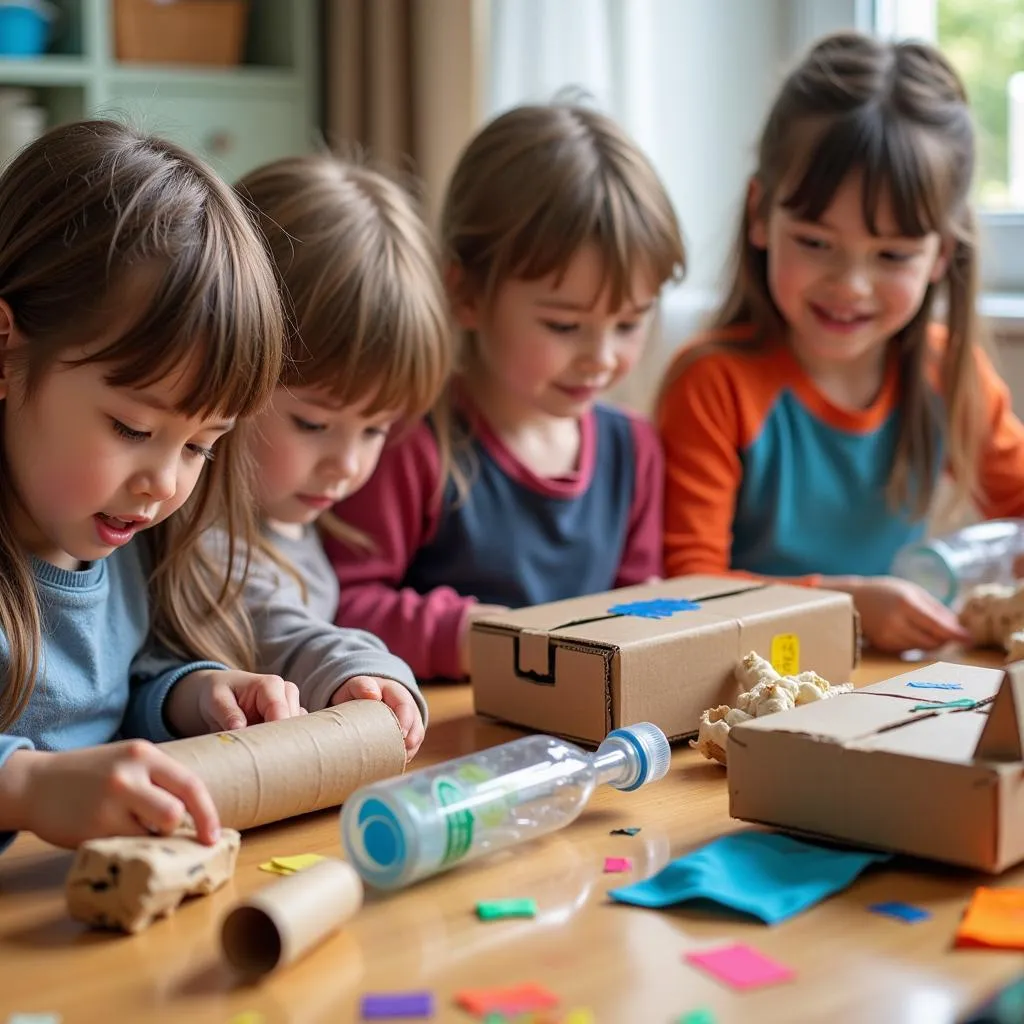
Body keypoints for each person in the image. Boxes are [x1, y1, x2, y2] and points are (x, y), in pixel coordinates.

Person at [657, 32, 1024, 654]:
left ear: (942, 254)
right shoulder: (713, 383)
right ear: (760, 216)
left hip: (886, 680)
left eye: (892, 255)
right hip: (741, 683)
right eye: (816, 243)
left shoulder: (947, 373)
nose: (850, 285)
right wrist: (846, 603)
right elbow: (686, 589)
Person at [0, 120, 292, 850]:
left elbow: (116, 699)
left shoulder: (118, 546)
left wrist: (193, 695)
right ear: (4, 349)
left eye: (200, 445)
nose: (164, 484)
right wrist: (28, 788)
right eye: (132, 429)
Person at [324, 102, 686, 680]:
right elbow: (343, 605)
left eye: (628, 323)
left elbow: (637, 606)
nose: (601, 357)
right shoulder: (407, 441)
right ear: (466, 294)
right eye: (564, 326)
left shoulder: (633, 450)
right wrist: (475, 638)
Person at [229, 154, 454, 755]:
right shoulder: (200, 529)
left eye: (375, 430)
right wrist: (356, 665)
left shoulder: (292, 520)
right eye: (314, 422)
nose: (347, 464)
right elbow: (262, 620)